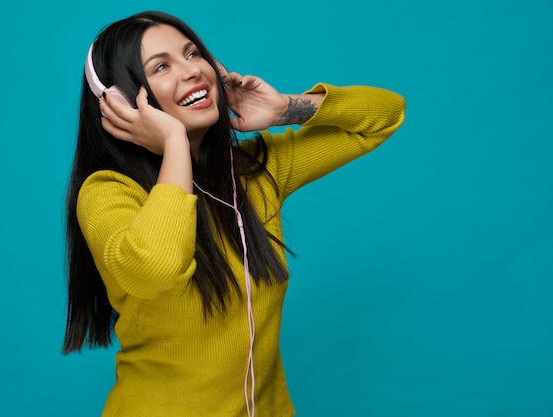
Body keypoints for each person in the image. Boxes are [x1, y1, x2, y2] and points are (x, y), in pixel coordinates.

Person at [63, 10, 405, 417]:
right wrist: (173, 142)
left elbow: (383, 116)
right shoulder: (107, 193)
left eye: (193, 54)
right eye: (162, 66)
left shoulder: (256, 172)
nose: (192, 71)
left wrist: (284, 110)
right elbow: (156, 267)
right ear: (121, 101)